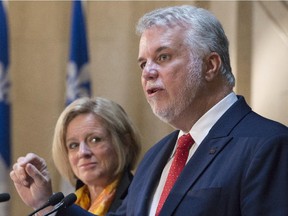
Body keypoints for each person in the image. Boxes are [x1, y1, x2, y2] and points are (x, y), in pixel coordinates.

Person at [14, 5, 288, 216]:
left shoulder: (267, 144)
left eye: (163, 57)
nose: (148, 73)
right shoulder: (156, 157)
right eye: (143, 63)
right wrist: (45, 204)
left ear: (210, 65)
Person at [10, 97, 141, 216]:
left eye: (95, 139)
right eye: (73, 145)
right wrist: (42, 204)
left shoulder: (140, 199)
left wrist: (48, 205)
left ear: (125, 143)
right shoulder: (70, 203)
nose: (82, 152)